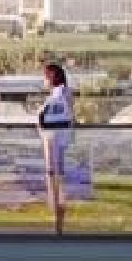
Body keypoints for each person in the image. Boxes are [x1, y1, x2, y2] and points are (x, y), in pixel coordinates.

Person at [37, 57, 87, 208]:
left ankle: (58, 199)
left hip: (57, 133)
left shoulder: (62, 92)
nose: (44, 79)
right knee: (52, 168)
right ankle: (55, 198)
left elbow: (68, 112)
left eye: (46, 75)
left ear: (52, 75)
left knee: (55, 168)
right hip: (50, 133)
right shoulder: (55, 94)